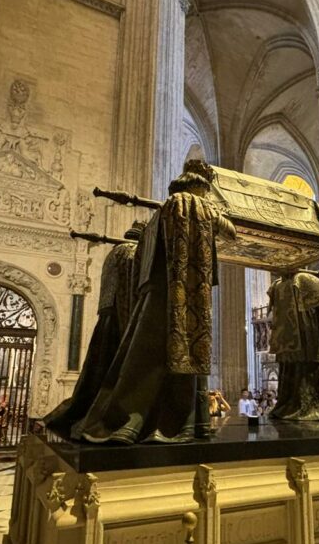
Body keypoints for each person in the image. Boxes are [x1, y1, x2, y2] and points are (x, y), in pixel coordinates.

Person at [73, 160, 235, 444]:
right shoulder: (205, 208)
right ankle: (184, 423)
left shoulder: (160, 214)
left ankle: (134, 419)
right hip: (190, 298)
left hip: (155, 297)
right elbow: (231, 232)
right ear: (201, 187)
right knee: (185, 352)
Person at [45, 220, 146, 433]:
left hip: (107, 316)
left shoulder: (114, 252)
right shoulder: (131, 253)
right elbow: (129, 289)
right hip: (121, 315)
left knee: (99, 370)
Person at [268, 269, 319, 422]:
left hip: (286, 341)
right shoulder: (302, 278)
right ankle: (309, 408)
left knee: (290, 372)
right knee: (308, 372)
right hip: (306, 335)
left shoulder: (277, 285)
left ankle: (288, 405)